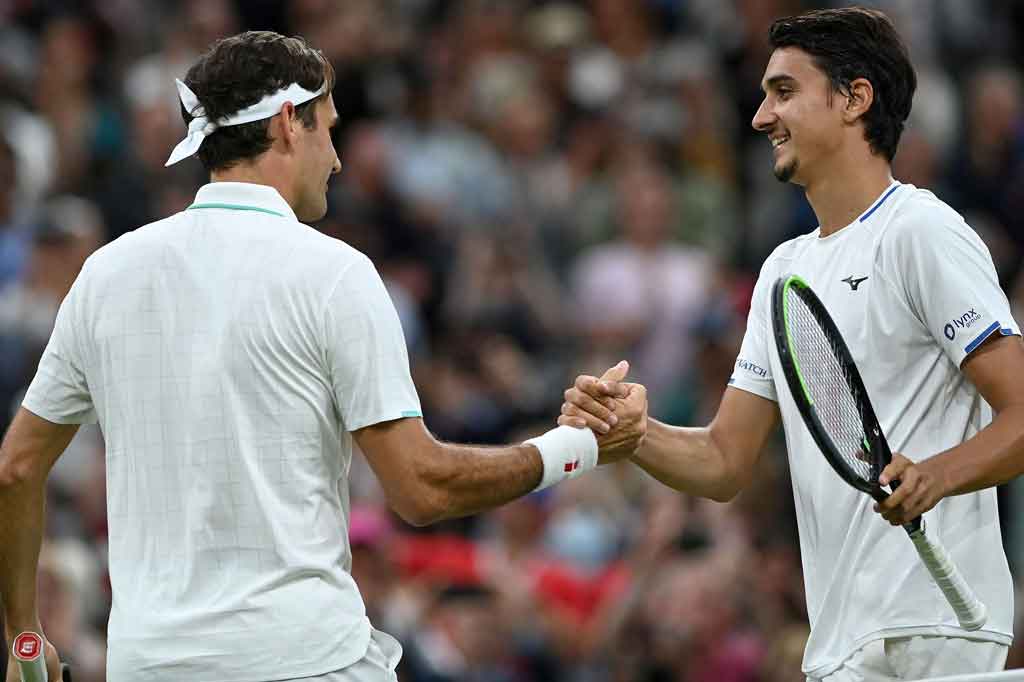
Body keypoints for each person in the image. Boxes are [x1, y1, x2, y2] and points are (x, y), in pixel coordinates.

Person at [0, 31, 643, 682]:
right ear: (287, 122)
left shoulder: (104, 275)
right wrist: (576, 447)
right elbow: (421, 488)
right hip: (303, 663)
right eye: (329, 130)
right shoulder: (336, 274)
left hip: (148, 666)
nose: (335, 160)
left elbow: (17, 468)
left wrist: (24, 635)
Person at [561, 8, 1024, 682]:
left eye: (784, 91)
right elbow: (724, 460)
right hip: (836, 641)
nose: (760, 117)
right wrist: (634, 434)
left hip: (935, 625)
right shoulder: (783, 270)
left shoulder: (921, 231)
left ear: (855, 99)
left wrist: (937, 474)